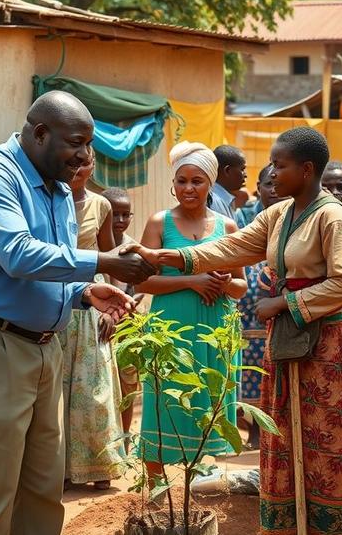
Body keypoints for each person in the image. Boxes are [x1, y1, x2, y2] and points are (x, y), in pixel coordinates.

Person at [0, 91, 153, 535]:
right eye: (76, 143)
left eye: (89, 145)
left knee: (41, 493)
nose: (84, 156)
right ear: (41, 134)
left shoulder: (58, 189)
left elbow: (49, 269)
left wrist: (84, 292)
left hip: (43, 348)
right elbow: (19, 255)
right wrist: (103, 261)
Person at [129, 127, 342, 535]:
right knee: (284, 438)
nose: (271, 173)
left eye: (279, 165)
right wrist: (165, 255)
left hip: (324, 347)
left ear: (306, 169)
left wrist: (284, 303)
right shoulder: (279, 214)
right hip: (287, 342)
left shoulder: (331, 216)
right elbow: (232, 247)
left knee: (326, 442)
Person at [133, 141, 247, 472]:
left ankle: (198, 482)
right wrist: (192, 281)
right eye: (181, 181)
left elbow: (241, 287)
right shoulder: (159, 223)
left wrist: (222, 284)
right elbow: (141, 282)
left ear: (210, 183)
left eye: (197, 181)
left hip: (215, 330)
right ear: (173, 183)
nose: (188, 188)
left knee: (208, 400)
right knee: (164, 399)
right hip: (171, 329)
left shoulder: (227, 227)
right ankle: (156, 486)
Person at [61, 155, 126, 490]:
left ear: (93, 166)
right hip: (53, 303)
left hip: (91, 307)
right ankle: (60, 470)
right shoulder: (47, 200)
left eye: (84, 163)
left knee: (93, 392)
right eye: (71, 161)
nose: (77, 168)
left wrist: (113, 310)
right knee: (56, 393)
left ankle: (100, 466)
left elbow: (112, 260)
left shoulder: (101, 206)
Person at [234, 163, 282, 450]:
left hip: (276, 308)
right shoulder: (244, 219)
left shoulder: (293, 219)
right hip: (247, 311)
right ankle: (252, 430)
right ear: (258, 189)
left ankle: (269, 431)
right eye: (268, 184)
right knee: (248, 372)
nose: (274, 190)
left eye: (278, 183)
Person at [102, 186, 141, 435]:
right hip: (101, 326)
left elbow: (139, 288)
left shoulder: (133, 248)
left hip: (127, 326)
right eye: (114, 214)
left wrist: (133, 305)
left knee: (128, 384)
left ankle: (125, 440)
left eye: (125, 214)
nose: (120, 220)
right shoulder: (92, 246)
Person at [235, 163, 280, 229]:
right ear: (259, 188)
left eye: (279, 185)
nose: (273, 190)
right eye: (269, 184)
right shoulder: (243, 216)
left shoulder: (293, 215)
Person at [209, 144, 247, 220]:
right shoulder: (213, 201)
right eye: (242, 169)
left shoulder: (225, 200)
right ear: (227, 171)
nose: (245, 175)